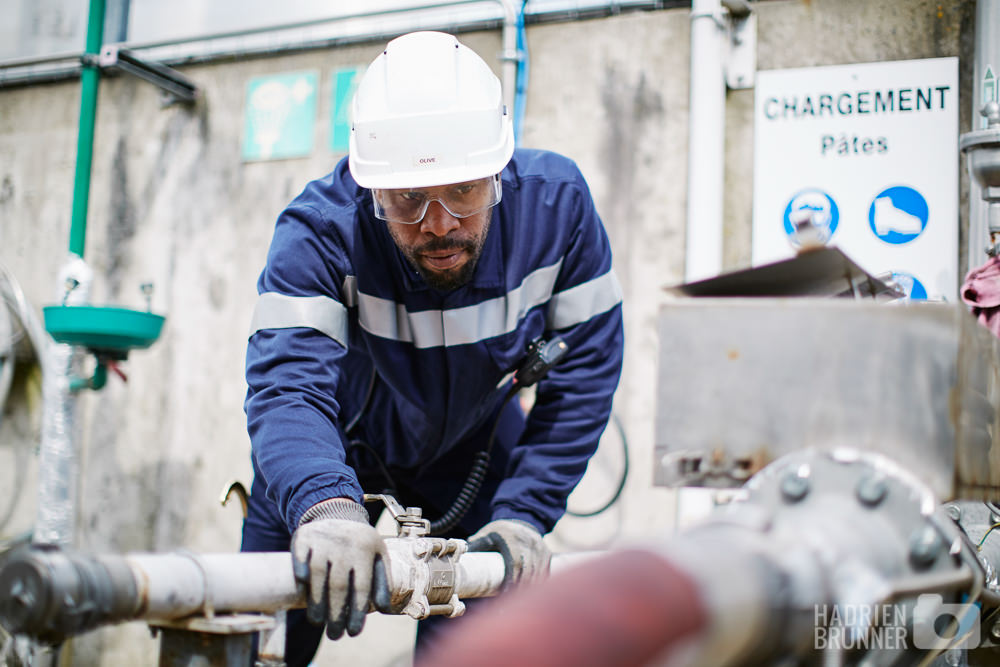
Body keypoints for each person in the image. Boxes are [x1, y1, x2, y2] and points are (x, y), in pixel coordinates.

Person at [241, 30, 624, 665]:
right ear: (371, 190)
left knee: (474, 654)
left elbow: (584, 372)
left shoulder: (559, 210)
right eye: (410, 199)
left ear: (498, 174)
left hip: (474, 452)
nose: (439, 222)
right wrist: (321, 503)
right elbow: (287, 386)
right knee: (260, 645)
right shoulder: (319, 231)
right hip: (335, 444)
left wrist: (525, 512)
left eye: (464, 192)